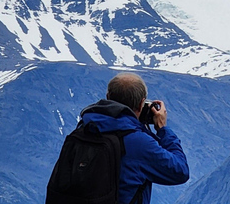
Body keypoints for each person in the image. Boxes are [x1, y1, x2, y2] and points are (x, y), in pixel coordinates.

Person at [79, 72, 189, 204]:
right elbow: (180, 171)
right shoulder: (139, 143)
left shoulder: (84, 128)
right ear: (142, 103)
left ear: (108, 97)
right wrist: (162, 128)